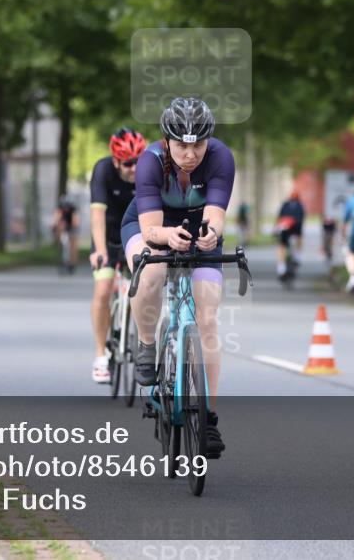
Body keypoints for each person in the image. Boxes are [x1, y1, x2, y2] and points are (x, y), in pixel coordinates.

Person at [121, 97, 234, 459]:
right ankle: (147, 342)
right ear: (167, 140)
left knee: (209, 318)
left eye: (197, 144)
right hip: (149, 226)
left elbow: (216, 215)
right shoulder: (150, 161)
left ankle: (209, 417)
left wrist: (212, 233)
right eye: (182, 144)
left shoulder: (220, 158)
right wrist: (168, 237)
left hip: (197, 228)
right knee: (152, 269)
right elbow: (151, 229)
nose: (190, 153)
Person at [87, 127, 147, 384]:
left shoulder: (151, 171)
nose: (134, 169)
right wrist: (100, 251)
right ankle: (101, 355)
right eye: (128, 163)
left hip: (136, 237)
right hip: (108, 238)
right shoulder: (103, 171)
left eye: (138, 161)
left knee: (144, 287)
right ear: (115, 161)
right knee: (103, 289)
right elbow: (97, 215)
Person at [275, 191, 304, 278]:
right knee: (286, 244)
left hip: (288, 228)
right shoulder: (299, 206)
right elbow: (302, 218)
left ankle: (281, 266)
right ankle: (295, 257)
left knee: (282, 246)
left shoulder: (286, 205)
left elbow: (279, 217)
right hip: (291, 229)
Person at [53, 194, 79, 270]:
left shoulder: (73, 210)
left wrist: (75, 225)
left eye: (67, 206)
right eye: (64, 206)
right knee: (59, 230)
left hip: (71, 226)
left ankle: (73, 262)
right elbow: (56, 218)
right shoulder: (59, 209)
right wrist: (54, 225)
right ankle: (59, 249)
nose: (66, 208)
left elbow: (76, 221)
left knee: (73, 243)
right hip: (63, 226)